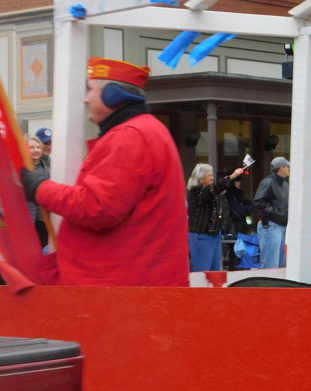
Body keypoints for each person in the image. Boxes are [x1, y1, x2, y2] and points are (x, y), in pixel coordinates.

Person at [19, 57, 189, 286]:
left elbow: (96, 207)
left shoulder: (130, 137)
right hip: (135, 284)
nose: (86, 98)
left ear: (114, 96)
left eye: (91, 90)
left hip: (122, 290)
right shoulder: (143, 131)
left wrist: (40, 187)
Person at [186, 164, 244, 272]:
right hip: (202, 236)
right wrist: (231, 176)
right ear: (200, 178)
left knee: (215, 273)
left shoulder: (209, 192)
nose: (212, 177)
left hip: (214, 234)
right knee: (202, 272)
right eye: (209, 175)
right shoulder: (197, 191)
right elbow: (214, 189)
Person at [254, 156, 290, 268]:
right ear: (281, 168)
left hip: (282, 226)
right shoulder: (268, 182)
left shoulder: (285, 184)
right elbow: (258, 202)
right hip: (271, 226)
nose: (289, 168)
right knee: (271, 265)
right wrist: (276, 213)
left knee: (281, 265)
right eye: (287, 166)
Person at [25, 135, 50, 248]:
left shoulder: (48, 170)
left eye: (38, 147)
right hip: (24, 220)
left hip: (43, 220)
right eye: (31, 147)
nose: (36, 150)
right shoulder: (16, 170)